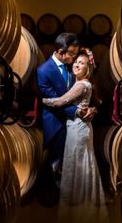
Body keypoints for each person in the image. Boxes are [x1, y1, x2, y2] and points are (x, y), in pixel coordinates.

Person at [42, 50, 107, 223]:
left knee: (76, 164)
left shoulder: (82, 84)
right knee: (82, 163)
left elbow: (60, 101)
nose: (77, 64)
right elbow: (92, 101)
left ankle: (78, 211)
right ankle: (85, 207)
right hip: (80, 128)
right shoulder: (78, 82)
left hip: (78, 129)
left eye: (82, 63)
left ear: (88, 69)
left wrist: (42, 100)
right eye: (76, 62)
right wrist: (91, 107)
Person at [36, 33, 96, 205]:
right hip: (57, 123)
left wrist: (91, 108)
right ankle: (54, 199)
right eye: (71, 54)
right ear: (60, 52)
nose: (75, 58)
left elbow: (85, 91)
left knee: (73, 162)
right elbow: (55, 99)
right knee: (56, 163)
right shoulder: (43, 71)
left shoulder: (72, 66)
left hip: (75, 123)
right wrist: (78, 112)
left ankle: (74, 199)